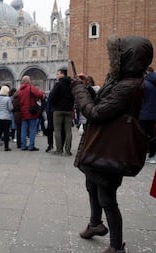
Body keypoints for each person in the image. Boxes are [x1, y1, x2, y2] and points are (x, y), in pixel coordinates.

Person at [71, 35, 153, 253]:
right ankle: (95, 224)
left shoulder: (129, 86)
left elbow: (96, 113)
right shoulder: (121, 80)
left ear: (128, 59)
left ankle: (117, 247)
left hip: (110, 148)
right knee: (91, 185)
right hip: (101, 144)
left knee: (107, 197)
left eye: (117, 56)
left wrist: (78, 91)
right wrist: (87, 87)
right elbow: (103, 102)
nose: (112, 60)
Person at [48, 68, 75, 156]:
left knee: (57, 130)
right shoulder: (72, 84)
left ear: (63, 74)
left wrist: (54, 104)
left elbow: (51, 96)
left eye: (58, 74)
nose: (57, 76)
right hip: (69, 110)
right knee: (68, 131)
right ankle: (68, 151)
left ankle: (59, 150)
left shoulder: (58, 84)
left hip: (58, 110)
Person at [17, 75, 44, 151]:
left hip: (23, 112)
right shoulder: (31, 87)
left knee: (23, 129)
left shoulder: (20, 90)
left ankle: (23, 146)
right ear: (27, 81)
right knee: (32, 129)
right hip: (31, 111)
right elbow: (40, 95)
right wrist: (40, 93)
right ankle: (31, 146)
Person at [139, 67, 156, 164]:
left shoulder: (145, 84)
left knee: (141, 135)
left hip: (144, 114)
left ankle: (141, 155)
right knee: (153, 135)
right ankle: (152, 155)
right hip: (153, 115)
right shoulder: (154, 83)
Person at [0, 85, 13, 151]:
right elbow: (10, 108)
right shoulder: (8, 99)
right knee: (6, 133)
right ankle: (6, 147)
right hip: (6, 117)